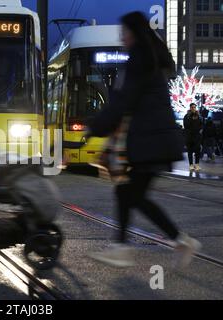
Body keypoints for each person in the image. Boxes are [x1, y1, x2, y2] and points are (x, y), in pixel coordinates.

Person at [85, 12, 200, 268]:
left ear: (134, 32)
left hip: (149, 143)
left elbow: (121, 103)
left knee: (132, 194)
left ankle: (172, 241)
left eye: (124, 33)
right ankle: (130, 246)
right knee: (128, 193)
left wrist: (94, 128)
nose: (122, 38)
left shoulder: (138, 60)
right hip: (154, 141)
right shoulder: (150, 60)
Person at [183, 103, 203, 171]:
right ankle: (191, 165)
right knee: (190, 151)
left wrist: (201, 130)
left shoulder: (199, 116)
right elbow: (186, 126)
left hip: (197, 137)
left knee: (197, 151)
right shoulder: (187, 116)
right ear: (190, 108)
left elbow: (201, 124)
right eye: (192, 107)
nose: (193, 108)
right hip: (190, 136)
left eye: (194, 107)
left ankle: (197, 164)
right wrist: (191, 119)